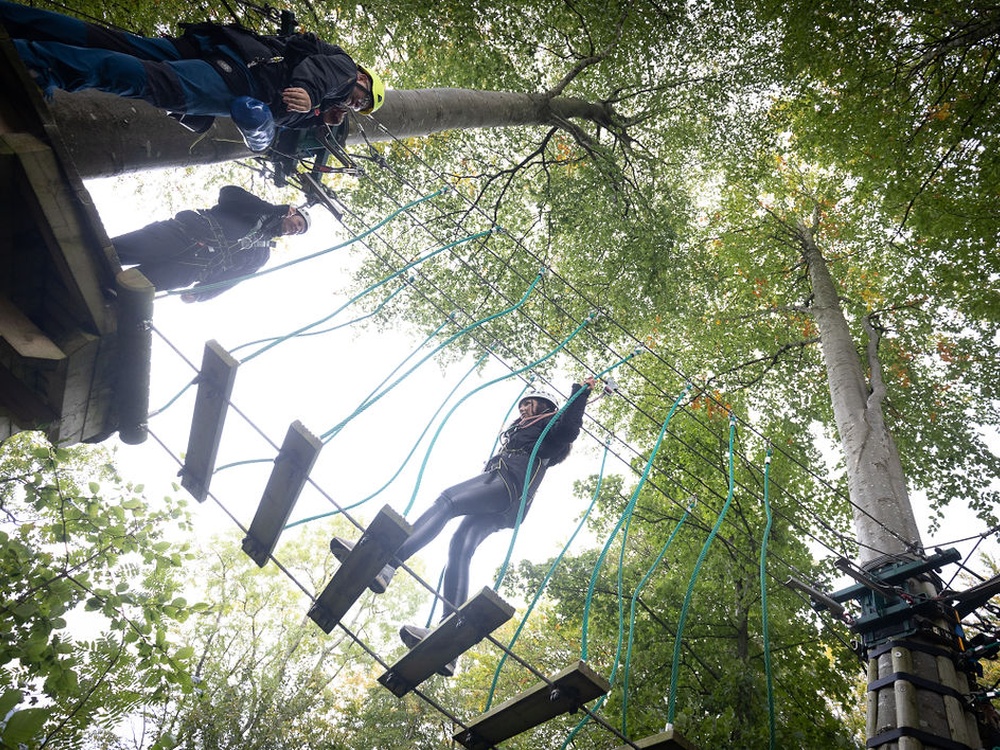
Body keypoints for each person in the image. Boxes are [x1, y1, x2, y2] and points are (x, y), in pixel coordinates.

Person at [330, 377, 596, 675]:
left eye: (529, 404)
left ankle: (388, 562)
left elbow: (569, 429)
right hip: (507, 499)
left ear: (546, 409)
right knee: (460, 546)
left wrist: (580, 393)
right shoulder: (520, 433)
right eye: (522, 405)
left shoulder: (549, 433)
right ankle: (449, 636)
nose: (523, 409)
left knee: (447, 501)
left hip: (506, 484)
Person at [0, 0, 385, 150]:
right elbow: (318, 76)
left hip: (220, 49)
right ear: (364, 80)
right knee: (143, 79)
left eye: (359, 108)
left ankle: (13, 21)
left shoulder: (320, 93)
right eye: (362, 99)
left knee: (116, 44)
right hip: (239, 77)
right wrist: (312, 95)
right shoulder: (344, 71)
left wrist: (315, 113)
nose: (356, 103)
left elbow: (281, 118)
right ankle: (35, 65)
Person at [112, 184, 310, 301]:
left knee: (127, 291)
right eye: (298, 222)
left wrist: (201, 294)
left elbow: (232, 278)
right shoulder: (256, 209)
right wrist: (274, 209)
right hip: (179, 236)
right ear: (292, 213)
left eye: (299, 231)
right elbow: (228, 194)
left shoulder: (261, 255)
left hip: (188, 270)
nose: (296, 229)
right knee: (112, 252)